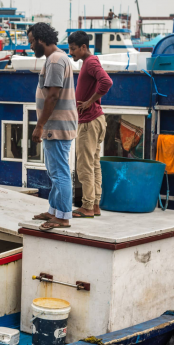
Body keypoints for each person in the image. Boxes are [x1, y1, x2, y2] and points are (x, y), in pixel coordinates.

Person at [27, 23, 78, 230]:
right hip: (55, 125)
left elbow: (53, 95)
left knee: (60, 172)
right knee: (54, 170)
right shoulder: (55, 59)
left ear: (40, 39)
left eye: (31, 42)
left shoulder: (56, 60)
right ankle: (54, 210)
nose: (30, 46)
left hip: (56, 126)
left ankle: (63, 217)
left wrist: (39, 126)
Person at [68, 31, 113, 218]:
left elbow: (107, 82)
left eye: (73, 49)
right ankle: (94, 205)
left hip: (89, 122)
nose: (71, 53)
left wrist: (89, 102)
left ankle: (87, 206)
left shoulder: (90, 62)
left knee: (85, 166)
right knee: (94, 164)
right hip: (96, 120)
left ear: (83, 47)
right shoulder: (90, 62)